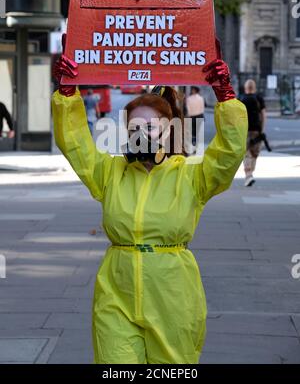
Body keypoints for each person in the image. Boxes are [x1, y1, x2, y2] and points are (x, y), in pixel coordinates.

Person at [52, 39, 247, 364]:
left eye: (150, 127)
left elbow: (228, 155)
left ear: (168, 130)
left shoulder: (190, 177)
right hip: (117, 292)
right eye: (135, 128)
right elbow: (75, 144)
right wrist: (67, 92)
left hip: (172, 295)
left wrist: (225, 96)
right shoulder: (110, 172)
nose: (142, 134)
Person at [239, 79, 267, 187]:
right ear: (254, 88)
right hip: (256, 130)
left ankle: (248, 175)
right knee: (255, 154)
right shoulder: (259, 98)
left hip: (244, 130)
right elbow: (264, 115)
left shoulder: (241, 98)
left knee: (246, 154)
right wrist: (262, 129)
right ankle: (250, 174)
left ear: (245, 88)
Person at [185, 86, 205, 154]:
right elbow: (202, 108)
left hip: (192, 117)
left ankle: (192, 146)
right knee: (197, 133)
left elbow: (188, 109)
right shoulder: (201, 98)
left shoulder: (189, 99)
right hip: (199, 116)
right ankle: (195, 148)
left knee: (192, 133)